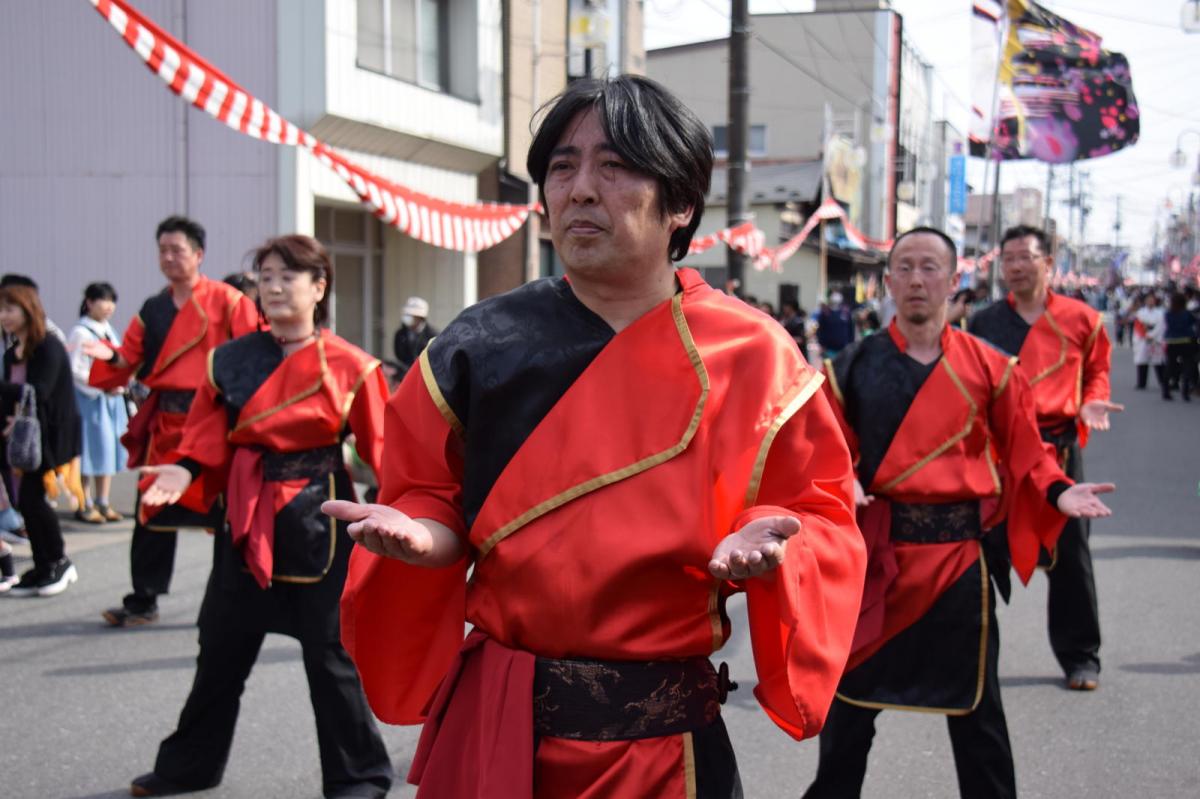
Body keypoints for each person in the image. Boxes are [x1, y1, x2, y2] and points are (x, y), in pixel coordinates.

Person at [324, 75, 867, 797]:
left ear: (679, 203)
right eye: (561, 167)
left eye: (614, 167)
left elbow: (823, 514)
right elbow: (430, 498)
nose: (580, 189)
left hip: (666, 744)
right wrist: (423, 539)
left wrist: (771, 542)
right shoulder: (476, 345)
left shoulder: (756, 356)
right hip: (500, 727)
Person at [804, 227, 1114, 799]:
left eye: (930, 268)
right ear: (888, 279)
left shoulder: (991, 366)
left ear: (953, 280)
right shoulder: (850, 366)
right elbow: (826, 450)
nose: (917, 279)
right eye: (904, 267)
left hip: (957, 568)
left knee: (979, 721)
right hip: (881, 566)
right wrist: (842, 479)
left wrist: (1057, 490)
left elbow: (1027, 452)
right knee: (847, 722)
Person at [128, 235, 392, 798]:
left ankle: (359, 778)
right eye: (265, 276)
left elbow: (386, 453)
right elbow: (205, 440)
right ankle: (187, 768)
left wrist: (404, 513)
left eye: (287, 276)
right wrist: (185, 472)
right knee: (219, 652)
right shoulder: (229, 359)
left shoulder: (354, 366)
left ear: (319, 288)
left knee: (332, 662)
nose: (272, 286)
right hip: (245, 520)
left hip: (318, 522)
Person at [83, 216, 260, 627]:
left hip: (215, 422)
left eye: (176, 249)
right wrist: (109, 357)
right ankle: (144, 598)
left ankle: (234, 596)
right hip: (167, 423)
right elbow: (128, 356)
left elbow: (254, 354)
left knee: (227, 511)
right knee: (151, 510)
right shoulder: (153, 308)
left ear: (198, 255)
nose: (168, 257)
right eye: (162, 250)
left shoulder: (228, 301)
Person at [969, 224, 1122, 691]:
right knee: (978, 555)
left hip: (1058, 452)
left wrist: (1092, 400)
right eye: (1008, 258)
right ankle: (972, 658)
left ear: (1047, 264)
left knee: (1070, 555)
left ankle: (1081, 656)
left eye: (1024, 257)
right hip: (1000, 453)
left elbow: (1097, 371)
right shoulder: (984, 321)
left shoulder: (1081, 318)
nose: (1014, 266)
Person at [0, 285, 83, 597]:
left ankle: (58, 561)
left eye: (10, 309)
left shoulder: (48, 346)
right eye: (1, 310)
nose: (4, 317)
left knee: (35, 501)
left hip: (45, 440)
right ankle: (40, 564)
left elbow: (39, 391)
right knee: (23, 503)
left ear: (28, 310)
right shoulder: (12, 352)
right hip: (14, 441)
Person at [68, 282, 128, 523]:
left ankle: (103, 500)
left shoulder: (108, 329)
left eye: (112, 301)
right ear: (89, 302)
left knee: (108, 450)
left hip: (109, 400)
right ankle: (85, 502)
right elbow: (74, 369)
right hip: (89, 400)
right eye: (103, 300)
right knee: (89, 452)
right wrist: (102, 385)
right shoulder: (81, 332)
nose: (109, 306)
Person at [1163, 292, 1198, 402]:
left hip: (1172, 342)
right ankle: (1185, 392)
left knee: (1170, 366)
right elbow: (1194, 323)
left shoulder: (1168, 314)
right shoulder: (1187, 314)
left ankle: (1166, 391)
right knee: (1187, 366)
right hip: (1186, 342)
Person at [1132, 291, 1167, 396]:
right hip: (1143, 339)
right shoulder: (1140, 313)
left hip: (1156, 339)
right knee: (1142, 361)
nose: (1150, 301)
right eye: (1148, 299)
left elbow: (1162, 326)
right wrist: (1146, 334)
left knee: (1159, 362)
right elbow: (1139, 326)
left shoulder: (1160, 312)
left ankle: (1163, 382)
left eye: (1152, 299)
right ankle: (1141, 383)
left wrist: (1153, 334)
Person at [391, 296, 436, 374]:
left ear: (420, 317)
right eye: (407, 314)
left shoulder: (432, 335)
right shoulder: (400, 334)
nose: (408, 318)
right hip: (405, 375)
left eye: (412, 315)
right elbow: (399, 355)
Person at [817, 290, 855, 357]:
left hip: (843, 348)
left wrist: (850, 345)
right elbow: (820, 330)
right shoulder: (825, 313)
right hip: (828, 349)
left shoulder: (846, 312)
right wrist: (821, 345)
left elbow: (851, 330)